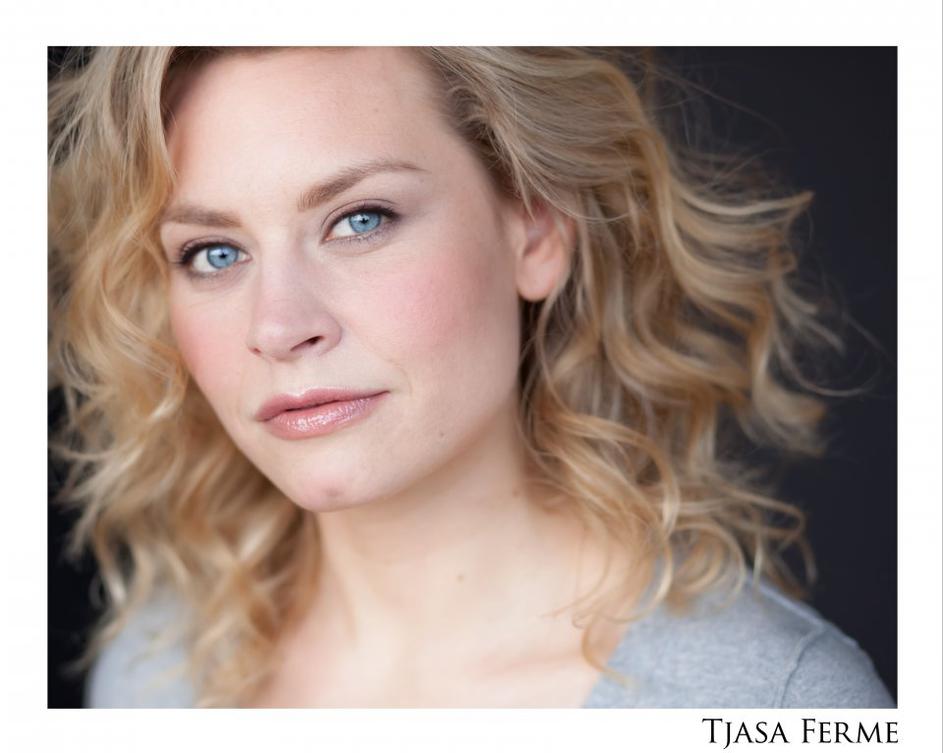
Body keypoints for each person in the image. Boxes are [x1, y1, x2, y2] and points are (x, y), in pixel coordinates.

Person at [47, 46, 892, 708]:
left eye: (360, 219)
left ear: (536, 230)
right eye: (213, 253)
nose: (277, 326)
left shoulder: (768, 700)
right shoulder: (157, 671)